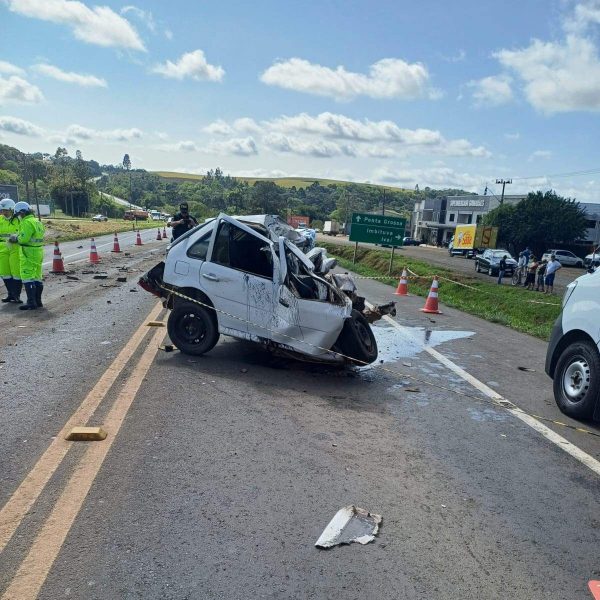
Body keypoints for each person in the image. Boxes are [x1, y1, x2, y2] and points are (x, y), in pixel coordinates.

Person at [9, 201, 45, 310]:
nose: (18, 217)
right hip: (38, 251)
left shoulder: (26, 222)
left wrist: (15, 238)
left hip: (28, 252)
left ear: (22, 212)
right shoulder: (36, 221)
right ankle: (38, 301)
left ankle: (31, 302)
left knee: (27, 276)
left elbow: (24, 239)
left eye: (18, 215)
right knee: (37, 276)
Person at [0, 198, 22, 303]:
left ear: (12, 209)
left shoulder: (19, 220)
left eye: (6, 210)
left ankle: (17, 295)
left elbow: (23, 232)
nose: (4, 212)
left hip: (15, 248)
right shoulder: (0, 219)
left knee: (16, 272)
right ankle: (10, 294)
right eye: (2, 210)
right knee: (5, 272)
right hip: (2, 249)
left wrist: (16, 237)